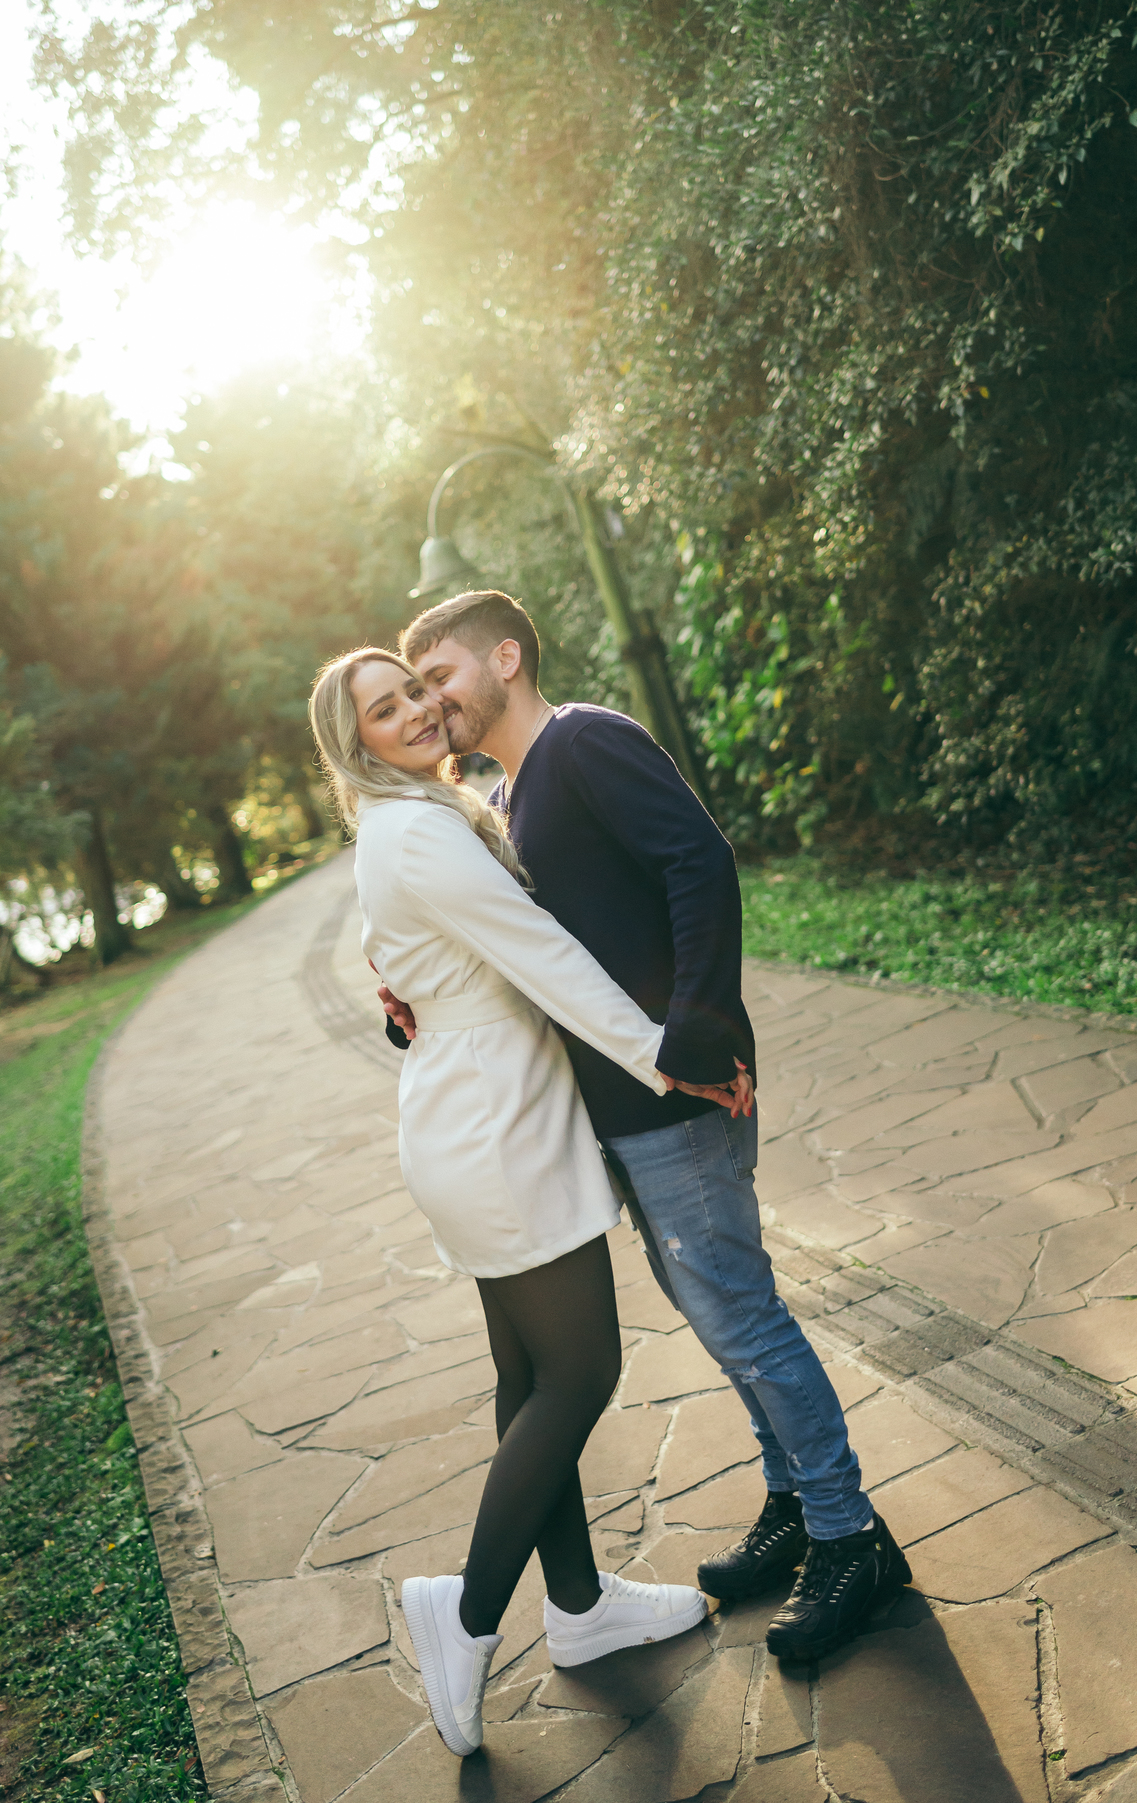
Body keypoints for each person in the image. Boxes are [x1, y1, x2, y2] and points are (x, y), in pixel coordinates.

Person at [381, 590, 911, 1666]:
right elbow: (525, 955)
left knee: (746, 1319)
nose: (434, 702)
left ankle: (850, 1536)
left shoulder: (584, 743)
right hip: (617, 1110)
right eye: (417, 687)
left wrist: (701, 1034)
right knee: (721, 1321)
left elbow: (700, 863)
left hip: (677, 1101)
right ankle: (797, 1502)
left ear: (506, 657)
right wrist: (412, 1006)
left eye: (441, 676)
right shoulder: (511, 794)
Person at [308, 648, 712, 1759]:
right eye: (385, 710)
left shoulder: (413, 820)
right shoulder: (418, 831)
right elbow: (540, 954)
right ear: (358, 748)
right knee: (582, 1373)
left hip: (480, 1116)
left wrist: (414, 1000)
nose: (417, 712)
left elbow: (421, 959)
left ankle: (578, 1608)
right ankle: (470, 1612)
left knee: (531, 1378)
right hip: (495, 1136)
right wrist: (663, 1056)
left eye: (414, 690)